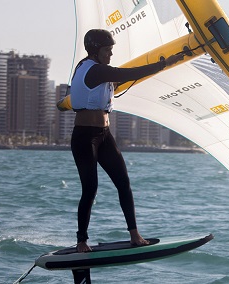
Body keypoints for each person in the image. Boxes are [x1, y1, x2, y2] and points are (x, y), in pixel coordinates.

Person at [70, 29, 184, 253]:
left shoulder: (98, 71)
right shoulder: (94, 70)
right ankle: (82, 241)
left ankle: (134, 235)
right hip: (85, 136)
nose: (110, 54)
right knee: (90, 189)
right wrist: (164, 64)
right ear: (95, 51)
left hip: (104, 135)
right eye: (107, 51)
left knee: (123, 183)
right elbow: (129, 73)